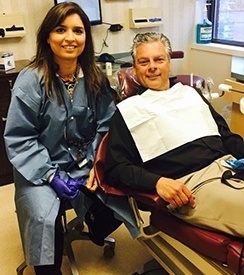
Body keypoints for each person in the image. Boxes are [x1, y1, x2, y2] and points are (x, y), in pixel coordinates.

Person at [4, 2, 118, 274]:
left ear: (86, 38)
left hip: (84, 163)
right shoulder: (30, 81)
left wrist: (94, 165)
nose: (70, 38)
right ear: (47, 36)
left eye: (78, 31)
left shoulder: (94, 77)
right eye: (60, 30)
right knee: (44, 216)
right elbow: (21, 138)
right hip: (39, 168)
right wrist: (50, 175)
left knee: (122, 191)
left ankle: (94, 224)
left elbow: (106, 125)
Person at [104, 32, 244, 238]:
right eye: (144, 62)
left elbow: (226, 136)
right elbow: (116, 168)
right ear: (134, 69)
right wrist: (157, 182)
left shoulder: (191, 94)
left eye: (159, 59)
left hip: (229, 167)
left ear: (169, 64)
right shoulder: (128, 111)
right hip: (192, 186)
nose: (152, 66)